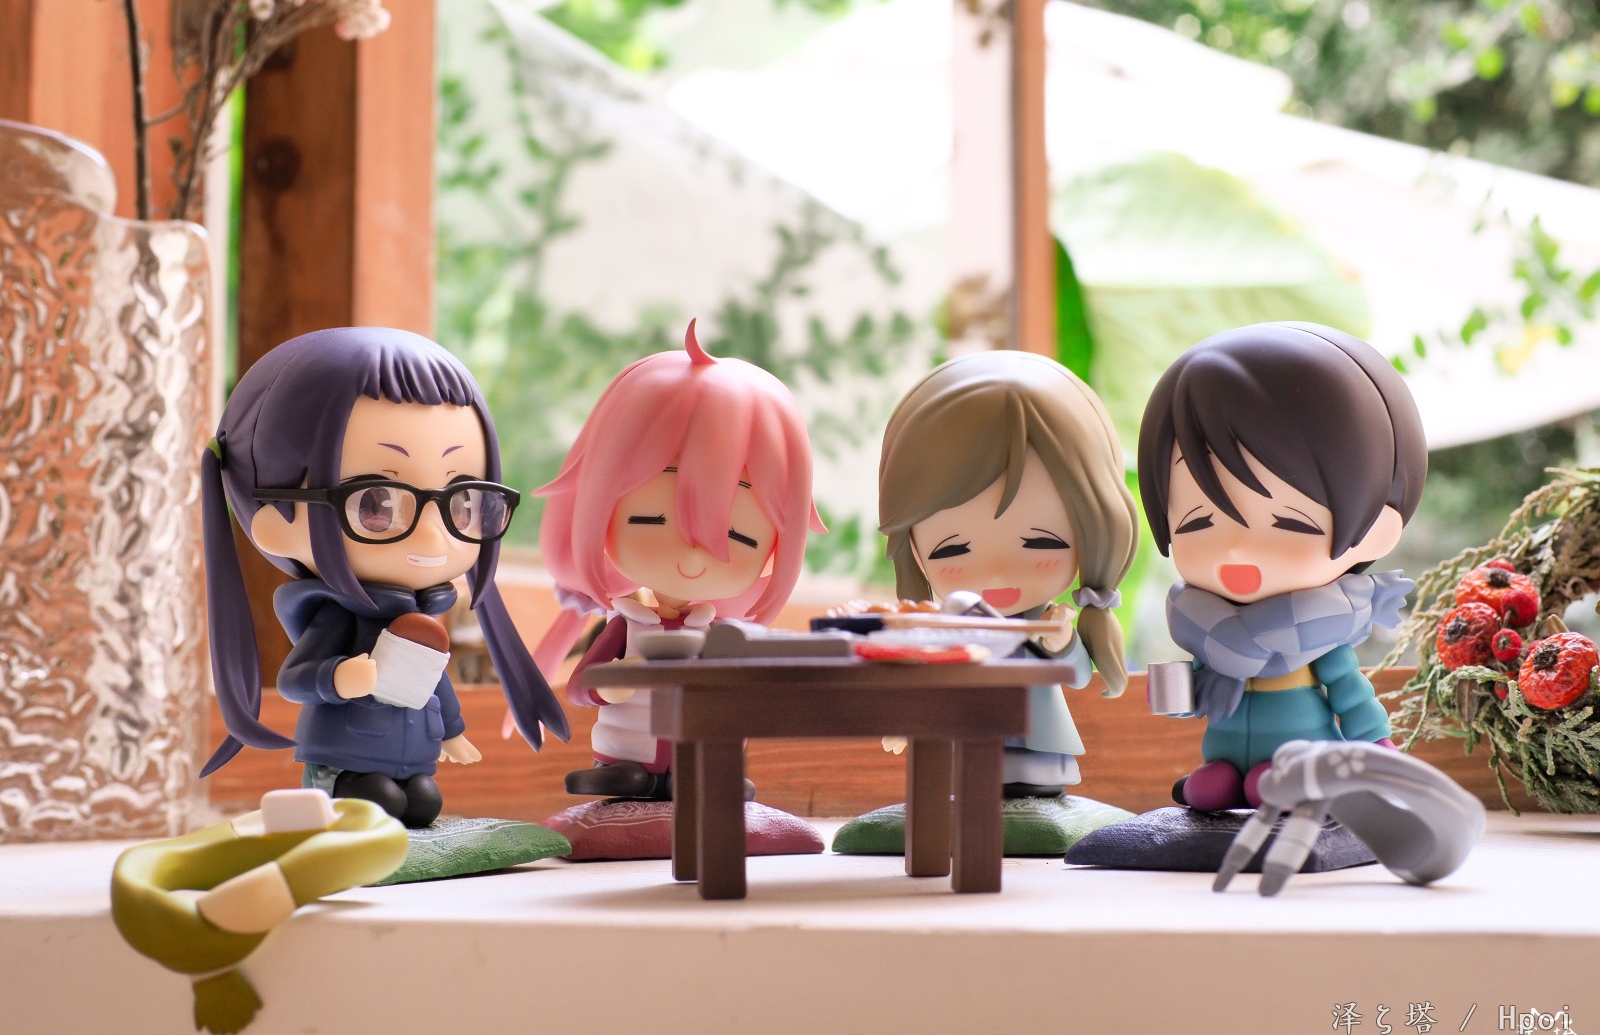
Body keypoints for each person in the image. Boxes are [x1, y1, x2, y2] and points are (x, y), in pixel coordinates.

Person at [200, 327, 566, 827]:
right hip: (345, 759)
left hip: (413, 758)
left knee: (423, 805)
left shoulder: (424, 619)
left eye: (462, 500)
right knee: (378, 804)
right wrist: (339, 677)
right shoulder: (336, 619)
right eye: (377, 504)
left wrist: (453, 732)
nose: (435, 536)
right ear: (276, 520)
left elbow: (434, 682)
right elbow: (295, 679)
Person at [1136, 321, 1427, 811]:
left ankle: (1278, 781)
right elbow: (1194, 697)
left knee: (1267, 784)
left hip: (1302, 752)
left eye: (1290, 524)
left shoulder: (1325, 635)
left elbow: (1352, 695)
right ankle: (1227, 777)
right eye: (1198, 521)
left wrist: (1379, 749)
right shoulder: (1207, 632)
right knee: (1212, 788)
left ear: (1376, 528)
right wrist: (1175, 693)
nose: (1236, 551)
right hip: (1223, 749)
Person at [532, 320, 823, 799]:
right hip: (628, 750)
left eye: (739, 537)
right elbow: (581, 686)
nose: (693, 555)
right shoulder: (628, 626)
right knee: (629, 779)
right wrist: (610, 686)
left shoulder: (720, 637)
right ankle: (623, 774)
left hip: (700, 756)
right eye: (649, 520)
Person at [879, 350, 1139, 795]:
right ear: (913, 547)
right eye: (953, 549)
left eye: (1041, 543)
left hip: (1040, 741)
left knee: (1026, 787)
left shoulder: (1048, 622)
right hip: (969, 741)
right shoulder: (950, 629)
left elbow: (1078, 675)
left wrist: (1061, 644)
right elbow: (928, 679)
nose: (997, 574)